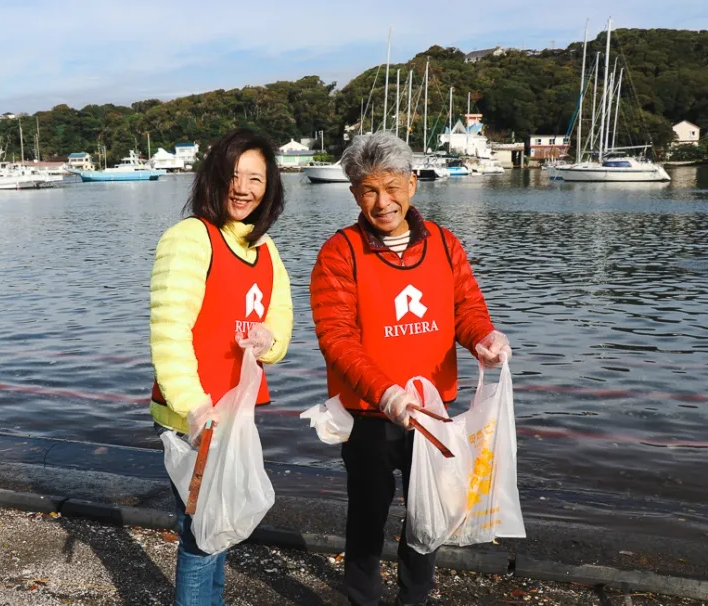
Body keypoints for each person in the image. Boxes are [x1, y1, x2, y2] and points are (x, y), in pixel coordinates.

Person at [309, 131, 511, 606]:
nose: (383, 202)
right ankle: (362, 598)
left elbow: (466, 309)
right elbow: (335, 337)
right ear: (355, 193)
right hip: (370, 415)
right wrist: (386, 392)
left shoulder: (443, 243)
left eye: (392, 186)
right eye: (369, 190)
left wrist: (483, 338)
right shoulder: (340, 253)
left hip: (434, 413)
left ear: (413, 184)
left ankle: (414, 598)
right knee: (367, 516)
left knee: (429, 513)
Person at [149, 128, 293, 606]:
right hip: (194, 416)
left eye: (256, 178)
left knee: (219, 529)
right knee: (199, 536)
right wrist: (193, 406)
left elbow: (281, 324)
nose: (243, 187)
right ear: (212, 177)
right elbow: (169, 331)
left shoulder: (266, 249)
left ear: (269, 187)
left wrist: (268, 342)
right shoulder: (190, 237)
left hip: (239, 413)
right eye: (233, 175)